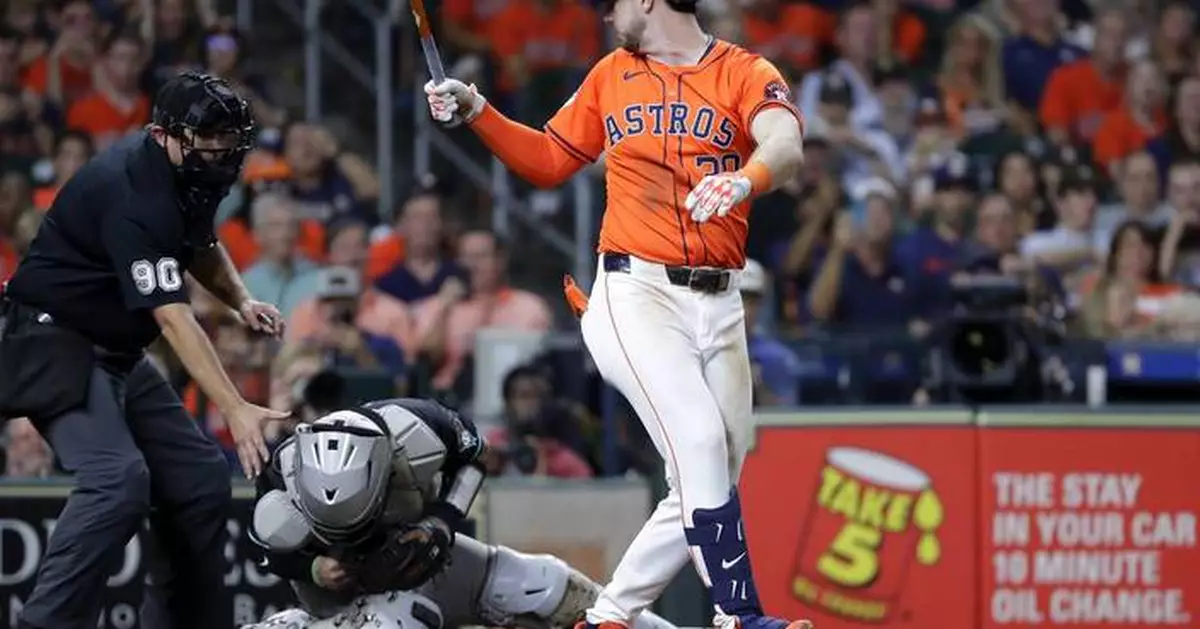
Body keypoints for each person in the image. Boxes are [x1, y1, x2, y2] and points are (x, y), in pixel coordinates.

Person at [424, 0, 811, 626]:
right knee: (700, 442)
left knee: (709, 473)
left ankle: (607, 617)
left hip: (721, 299)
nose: (606, 14)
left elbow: (787, 145)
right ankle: (738, 615)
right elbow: (550, 159)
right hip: (636, 292)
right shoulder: (611, 73)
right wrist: (478, 112)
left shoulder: (744, 70)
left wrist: (747, 179)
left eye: (614, 3)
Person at [0, 71, 287, 629]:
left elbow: (198, 243)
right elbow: (173, 318)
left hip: (114, 352)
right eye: (208, 136)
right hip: (51, 345)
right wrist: (234, 407)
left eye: (230, 136)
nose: (222, 148)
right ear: (163, 135)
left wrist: (240, 300)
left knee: (201, 481)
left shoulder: (194, 174)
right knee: (118, 481)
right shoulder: (135, 192)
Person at [244, 399, 676, 629]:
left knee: (542, 583)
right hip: (342, 598)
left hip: (427, 558)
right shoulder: (280, 477)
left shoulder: (418, 428)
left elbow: (475, 458)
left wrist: (441, 522)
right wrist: (317, 568)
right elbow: (268, 552)